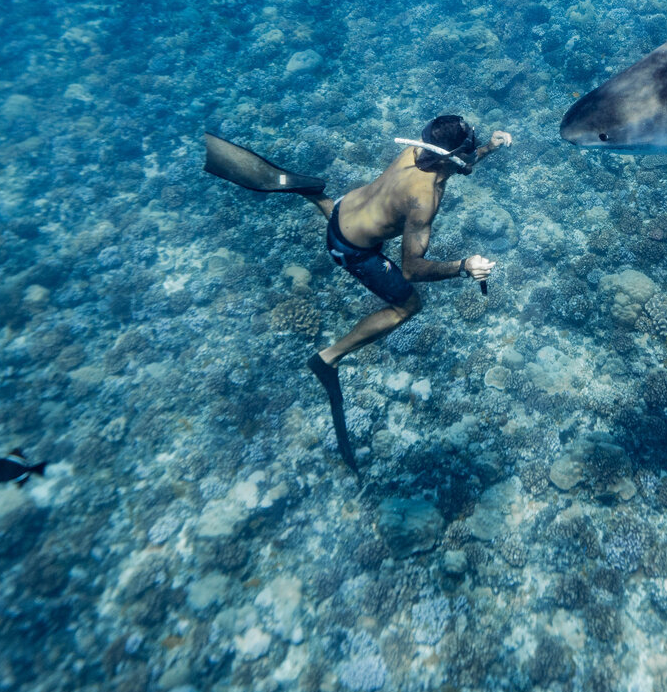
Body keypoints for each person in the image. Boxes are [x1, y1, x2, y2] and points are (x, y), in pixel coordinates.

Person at [203, 114, 510, 467]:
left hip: (342, 209)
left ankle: (310, 194)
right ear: (452, 157)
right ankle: (328, 357)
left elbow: (455, 163)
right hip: (351, 250)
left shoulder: (415, 151)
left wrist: (488, 148)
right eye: (468, 150)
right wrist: (463, 266)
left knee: (353, 210)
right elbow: (411, 269)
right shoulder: (425, 198)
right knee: (408, 305)